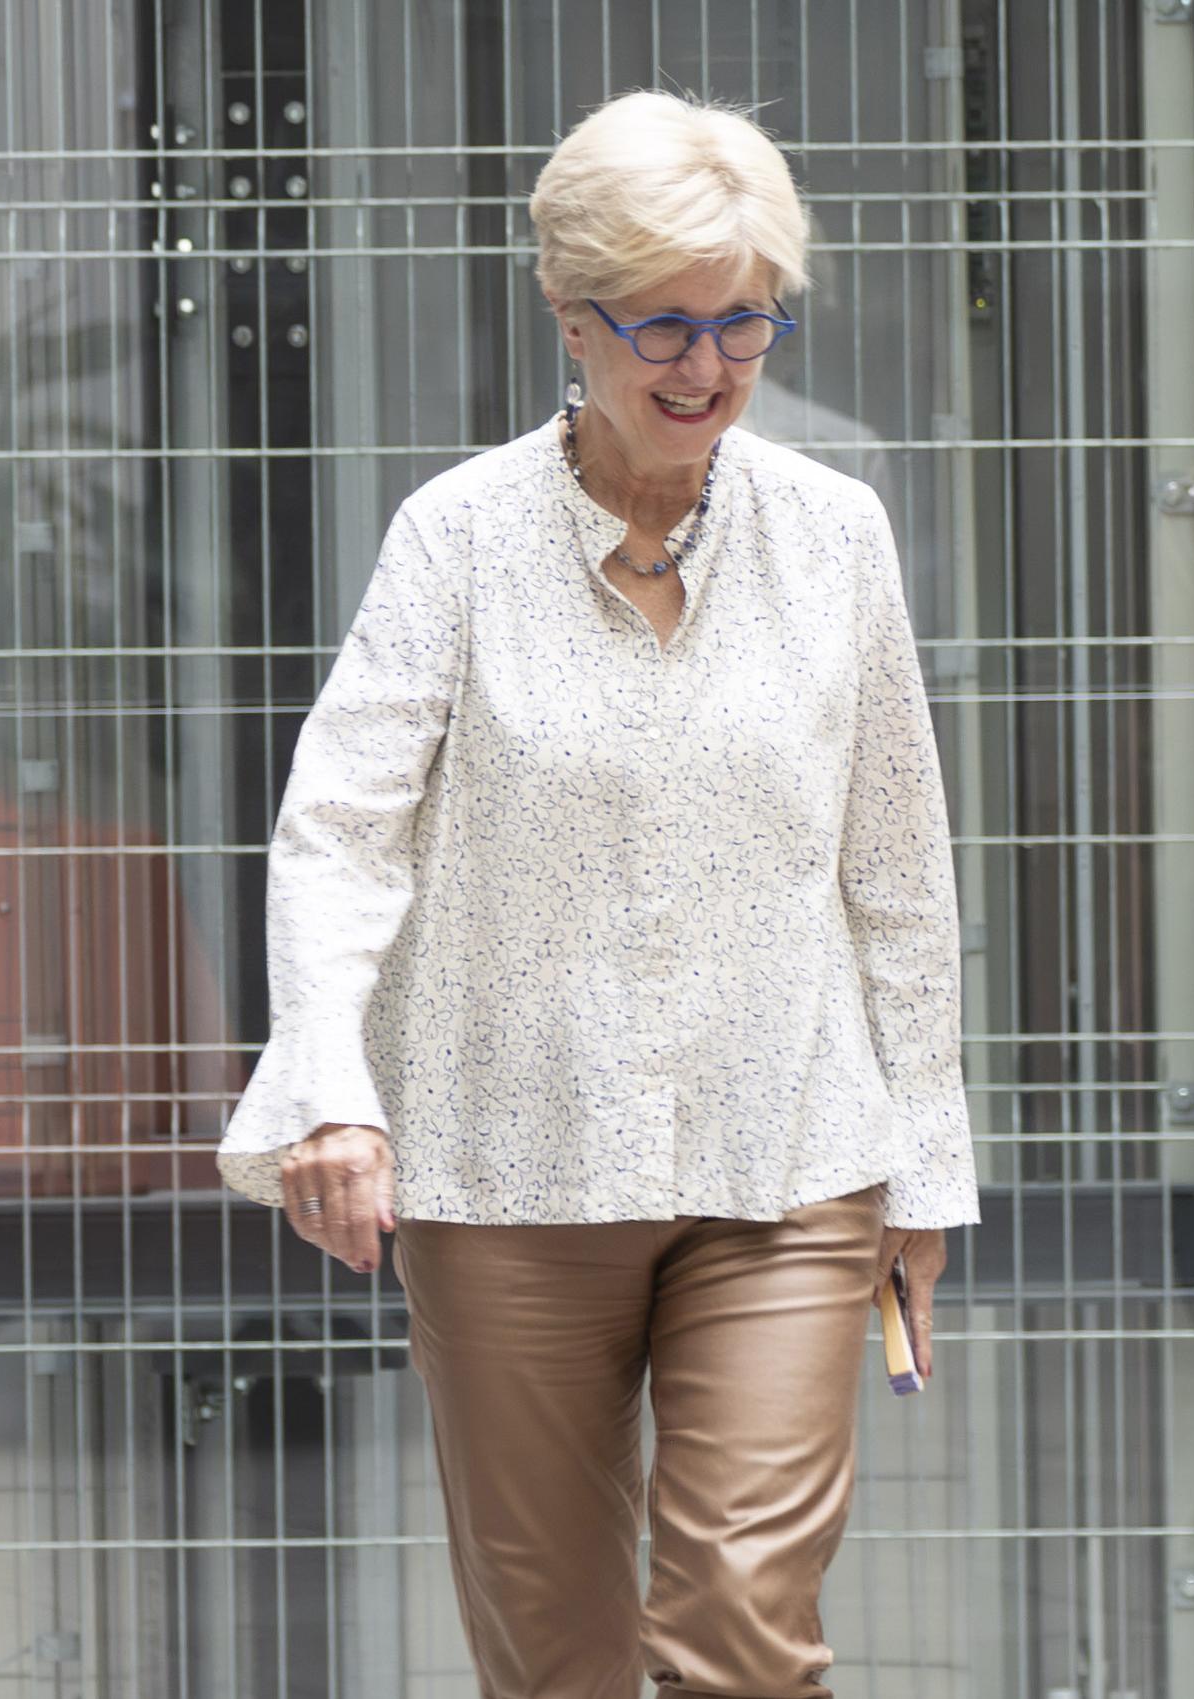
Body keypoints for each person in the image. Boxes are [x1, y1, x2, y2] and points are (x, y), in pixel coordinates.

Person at [217, 89, 979, 1699]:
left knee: (744, 1644)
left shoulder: (835, 533)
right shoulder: (459, 538)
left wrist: (922, 1172)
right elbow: (340, 830)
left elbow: (896, 866)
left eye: (745, 322)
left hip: (785, 1159)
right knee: (554, 1654)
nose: (706, 367)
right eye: (663, 327)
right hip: (509, 1163)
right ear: (570, 317)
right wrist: (331, 1091)